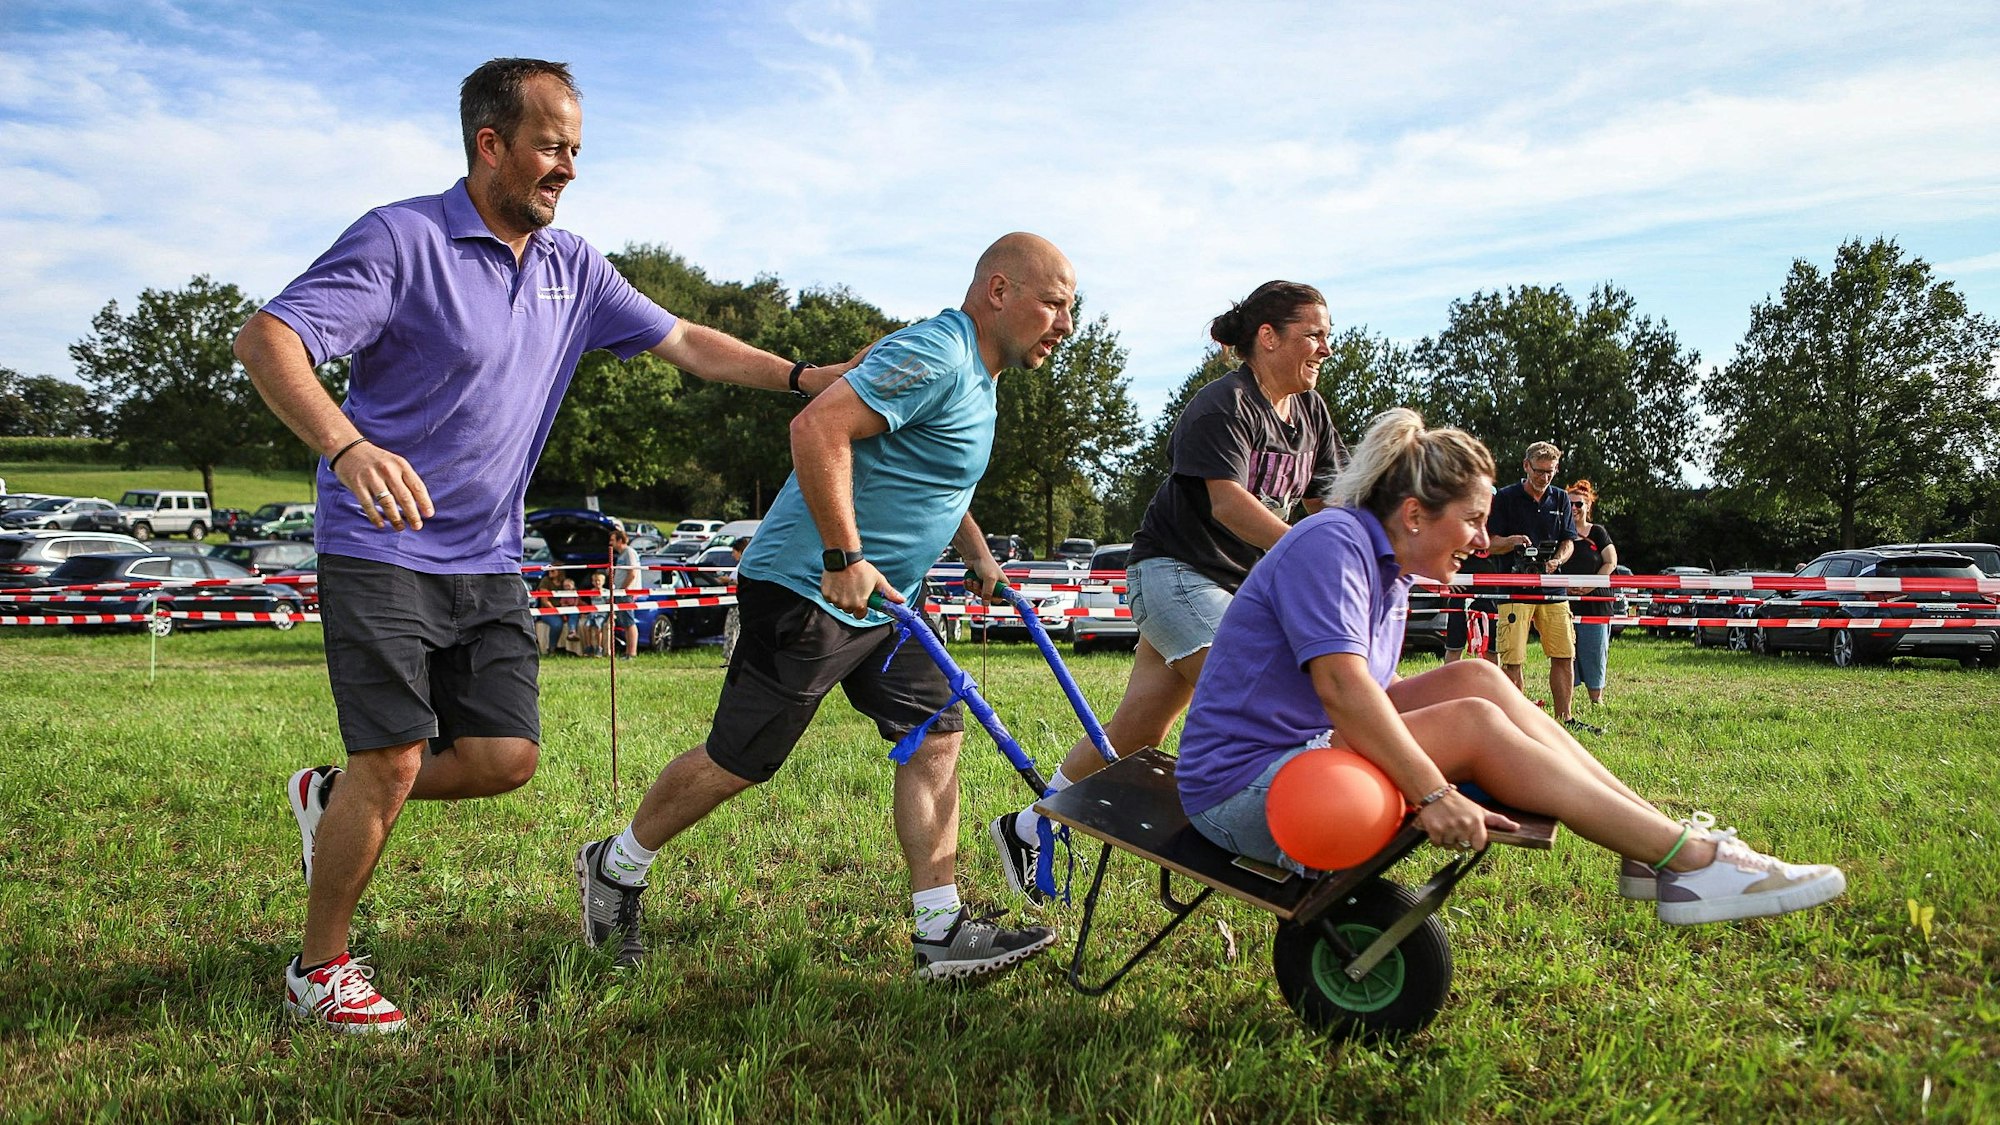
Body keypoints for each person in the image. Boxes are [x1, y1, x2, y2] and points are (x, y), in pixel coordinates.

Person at [235, 58, 856, 1034]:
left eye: (576, 150)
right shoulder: (402, 239)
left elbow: (686, 341)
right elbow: (269, 337)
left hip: (488, 556)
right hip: (381, 545)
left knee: (503, 757)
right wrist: (346, 446)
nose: (567, 168)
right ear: (491, 144)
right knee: (394, 757)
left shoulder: (572, 268)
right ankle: (318, 971)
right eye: (551, 147)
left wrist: (805, 372)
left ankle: (331, 794)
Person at [575, 233, 1076, 980]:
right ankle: (614, 866)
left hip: (886, 606)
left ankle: (939, 931)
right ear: (999, 292)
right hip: (808, 586)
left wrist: (975, 552)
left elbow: (932, 472)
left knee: (937, 733)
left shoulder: (982, 374)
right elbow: (817, 426)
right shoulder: (938, 352)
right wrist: (844, 553)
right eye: (1055, 303)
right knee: (740, 761)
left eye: (1072, 309)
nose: (1066, 324)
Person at [1175, 408, 1845, 925]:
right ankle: (1692, 863)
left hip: (1303, 753)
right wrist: (1436, 793)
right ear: (1413, 514)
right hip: (1242, 789)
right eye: (1471, 520)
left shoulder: (1390, 566)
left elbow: (1366, 694)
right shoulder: (1333, 543)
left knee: (1480, 677)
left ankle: (1652, 843)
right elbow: (1343, 688)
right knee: (1472, 717)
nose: (1479, 539)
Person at [988, 281, 1345, 899]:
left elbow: (1327, 503)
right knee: (1258, 702)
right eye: (1314, 334)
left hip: (1239, 590)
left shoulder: (1310, 414)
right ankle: (1291, 832)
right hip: (1178, 575)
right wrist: (1303, 551)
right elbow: (1228, 503)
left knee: (1134, 734)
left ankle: (1029, 825)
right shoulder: (1224, 404)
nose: (1325, 348)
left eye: (1327, 336)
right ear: (1268, 337)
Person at [1485, 441, 1583, 726]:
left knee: (1564, 653)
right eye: (1539, 471)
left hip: (1553, 589)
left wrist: (1556, 561)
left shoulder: (1562, 498)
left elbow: (1569, 541)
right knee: (1512, 659)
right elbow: (1488, 544)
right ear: (1526, 466)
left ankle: (1565, 717)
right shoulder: (1504, 498)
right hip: (1513, 588)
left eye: (1550, 472)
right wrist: (1511, 542)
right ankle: (1517, 721)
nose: (1544, 478)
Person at [1561, 479, 1618, 711]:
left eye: (1579, 505)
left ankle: (1596, 700)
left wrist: (1591, 585)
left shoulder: (1598, 532)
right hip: (1566, 603)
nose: (1574, 509)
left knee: (1594, 651)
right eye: (1570, 505)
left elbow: (1611, 561)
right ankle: (1567, 701)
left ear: (1588, 507)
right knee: (1566, 653)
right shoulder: (1561, 533)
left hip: (1596, 603)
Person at [609, 525, 642, 659]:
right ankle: (627, 652)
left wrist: (624, 589)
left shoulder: (629, 552)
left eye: (612, 540)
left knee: (629, 622)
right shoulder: (621, 555)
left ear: (620, 540)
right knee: (625, 623)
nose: (610, 543)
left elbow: (632, 573)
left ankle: (632, 653)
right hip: (620, 593)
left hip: (626, 593)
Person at [533, 567, 579, 655]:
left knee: (575, 614)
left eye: (553, 570)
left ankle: (572, 635)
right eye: (549, 570)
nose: (550, 572)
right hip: (548, 610)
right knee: (557, 624)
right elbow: (545, 601)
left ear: (560, 571)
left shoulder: (565, 582)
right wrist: (559, 612)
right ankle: (552, 649)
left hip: (565, 608)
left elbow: (574, 595)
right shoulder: (545, 581)